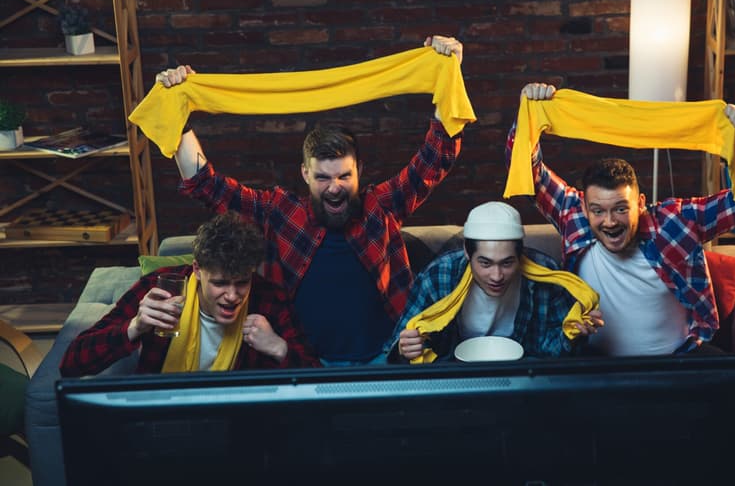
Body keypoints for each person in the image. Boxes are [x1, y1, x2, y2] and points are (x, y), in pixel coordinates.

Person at [154, 35, 464, 365]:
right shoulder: (280, 212)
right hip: (304, 363)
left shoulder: (380, 206)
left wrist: (450, 70)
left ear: (359, 171)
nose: (334, 188)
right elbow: (207, 186)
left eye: (344, 176)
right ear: (305, 174)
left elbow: (435, 157)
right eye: (323, 178)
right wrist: (179, 111)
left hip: (384, 358)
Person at [506, 82, 735, 355]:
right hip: (594, 364)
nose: (610, 221)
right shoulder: (573, 213)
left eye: (621, 209)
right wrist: (528, 114)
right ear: (586, 208)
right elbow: (526, 171)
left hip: (675, 361)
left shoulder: (675, 222)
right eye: (598, 210)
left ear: (640, 204)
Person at [60, 212, 319, 376]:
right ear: (196, 269)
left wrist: (279, 347)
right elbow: (72, 363)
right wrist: (135, 327)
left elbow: (316, 380)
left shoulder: (268, 299)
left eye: (241, 282)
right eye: (219, 283)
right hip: (162, 416)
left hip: (237, 425)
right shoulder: (162, 290)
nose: (232, 296)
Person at [390, 201, 602, 363]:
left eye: (507, 262)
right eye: (485, 263)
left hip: (520, 373)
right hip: (455, 374)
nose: (497, 276)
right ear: (466, 252)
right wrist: (405, 348)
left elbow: (551, 350)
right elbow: (401, 342)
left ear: (521, 255)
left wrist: (574, 335)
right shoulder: (438, 276)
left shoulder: (547, 275)